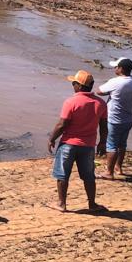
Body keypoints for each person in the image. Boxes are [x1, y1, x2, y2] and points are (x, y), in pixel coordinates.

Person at [47, 70, 108, 213]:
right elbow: (104, 126)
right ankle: (92, 204)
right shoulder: (100, 103)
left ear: (79, 86)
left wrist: (51, 139)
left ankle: (61, 204)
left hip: (69, 144)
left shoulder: (71, 101)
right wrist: (102, 143)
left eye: (74, 83)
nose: (73, 85)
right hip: (88, 145)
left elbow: (62, 124)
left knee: (62, 174)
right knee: (89, 176)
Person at [97, 57, 132, 178]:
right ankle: (118, 167)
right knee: (122, 144)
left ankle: (109, 172)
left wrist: (110, 92)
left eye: (116, 67)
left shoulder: (116, 81)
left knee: (111, 145)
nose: (114, 69)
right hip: (129, 117)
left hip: (114, 118)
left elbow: (99, 91)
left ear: (121, 68)